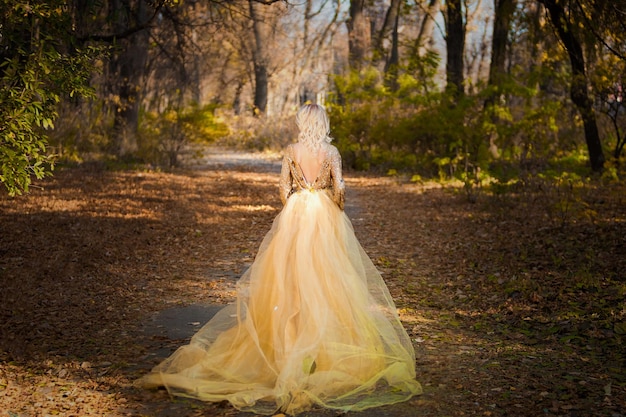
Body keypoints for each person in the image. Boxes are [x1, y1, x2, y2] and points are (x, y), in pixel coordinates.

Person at [136, 104, 422, 415]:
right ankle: (319, 347)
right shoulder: (332, 152)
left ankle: (289, 341)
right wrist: (332, 207)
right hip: (324, 218)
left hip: (296, 216)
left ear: (302, 122)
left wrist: (296, 204)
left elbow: (283, 188)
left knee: (290, 280)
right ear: (323, 123)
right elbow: (339, 188)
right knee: (328, 279)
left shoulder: (291, 149)